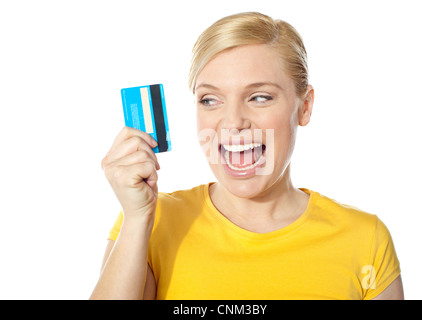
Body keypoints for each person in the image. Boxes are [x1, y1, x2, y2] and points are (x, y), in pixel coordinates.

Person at [90, 12, 403, 300]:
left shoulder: (365, 239)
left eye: (260, 97)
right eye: (210, 99)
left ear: (304, 107)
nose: (233, 122)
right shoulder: (150, 223)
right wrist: (137, 220)